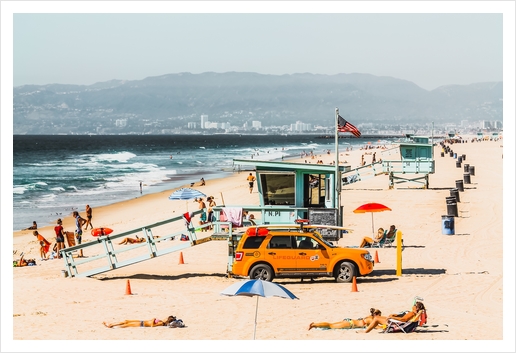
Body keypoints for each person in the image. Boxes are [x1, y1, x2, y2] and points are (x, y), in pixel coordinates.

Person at [361, 301, 426, 333]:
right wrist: (394, 315)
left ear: (416, 308)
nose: (413, 305)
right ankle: (368, 330)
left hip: (396, 324)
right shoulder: (415, 314)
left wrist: (393, 318)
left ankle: (365, 332)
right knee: (379, 318)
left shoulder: (412, 313)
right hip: (399, 323)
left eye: (414, 305)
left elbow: (403, 319)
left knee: (376, 318)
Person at [308, 308, 383, 330]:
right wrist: (384, 326)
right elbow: (377, 327)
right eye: (379, 316)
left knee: (331, 324)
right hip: (349, 324)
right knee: (330, 326)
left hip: (349, 321)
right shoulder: (371, 320)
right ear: (376, 315)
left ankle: (314, 324)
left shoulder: (369, 317)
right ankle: (313, 324)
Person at [103, 315, 176, 328]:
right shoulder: (160, 321)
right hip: (141, 321)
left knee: (127, 324)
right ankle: (111, 324)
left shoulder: (161, 323)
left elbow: (152, 325)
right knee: (126, 321)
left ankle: (111, 325)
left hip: (142, 324)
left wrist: (153, 319)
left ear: (167, 320)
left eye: (166, 317)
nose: (165, 317)